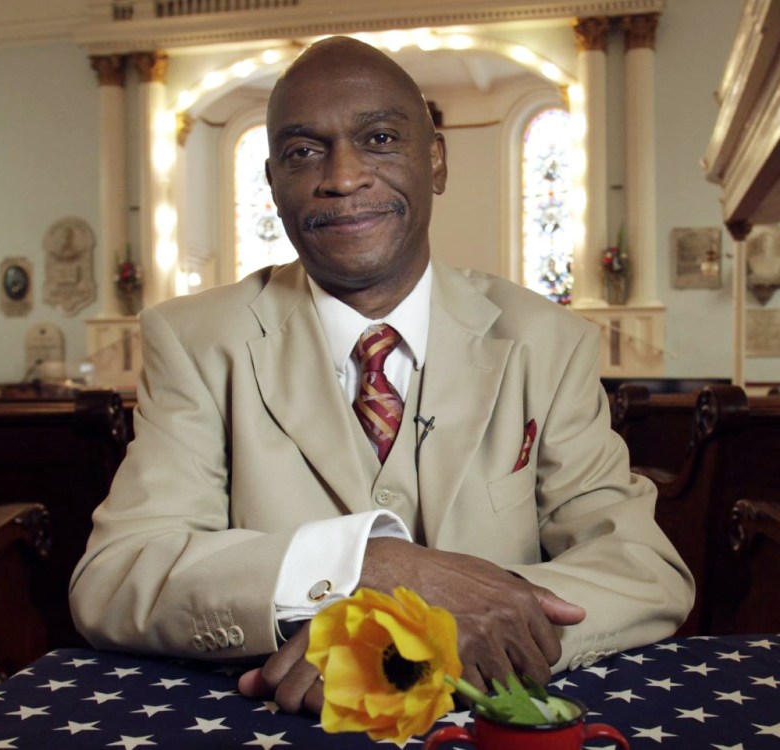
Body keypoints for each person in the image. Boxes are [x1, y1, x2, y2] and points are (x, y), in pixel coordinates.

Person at [70, 36, 694, 716]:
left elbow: (642, 569)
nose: (342, 177)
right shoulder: (194, 341)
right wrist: (366, 567)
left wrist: (439, 631)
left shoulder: (548, 341)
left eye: (379, 138)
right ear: (273, 180)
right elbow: (117, 577)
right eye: (303, 151)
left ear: (436, 161)